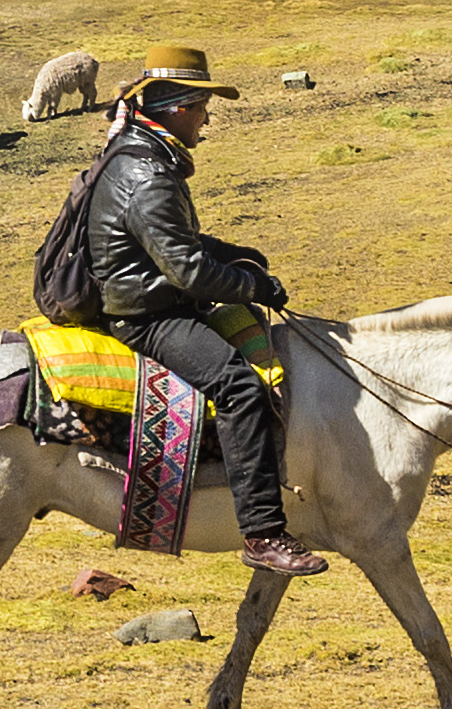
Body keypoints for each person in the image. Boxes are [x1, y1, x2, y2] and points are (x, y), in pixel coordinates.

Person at [73, 48, 329, 583]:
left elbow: (173, 242)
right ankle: (262, 532)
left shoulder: (139, 156)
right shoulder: (149, 176)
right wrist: (253, 285)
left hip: (151, 295)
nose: (207, 119)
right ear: (176, 109)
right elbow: (187, 271)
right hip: (148, 315)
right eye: (202, 108)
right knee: (239, 387)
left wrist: (235, 253)